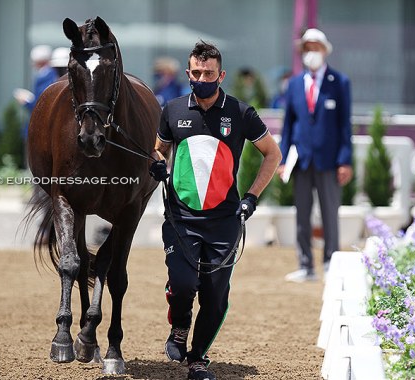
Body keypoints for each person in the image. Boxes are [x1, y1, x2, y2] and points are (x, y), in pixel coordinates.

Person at [149, 40, 281, 380]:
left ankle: (197, 358)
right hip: (181, 218)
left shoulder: (241, 113)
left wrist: (252, 196)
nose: (201, 78)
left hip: (225, 220)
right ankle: (179, 325)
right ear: (188, 73)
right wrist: (158, 163)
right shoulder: (173, 110)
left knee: (215, 296)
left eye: (208, 73)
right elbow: (158, 149)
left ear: (220, 75)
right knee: (181, 282)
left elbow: (273, 154)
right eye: (195, 72)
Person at [277, 28, 353, 282]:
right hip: (301, 159)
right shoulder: (295, 84)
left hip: (330, 160)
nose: (311, 53)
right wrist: (283, 159)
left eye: (315, 48)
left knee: (330, 212)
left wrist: (345, 159)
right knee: (302, 213)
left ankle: (331, 261)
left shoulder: (339, 82)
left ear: (324, 50)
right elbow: (288, 124)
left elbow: (345, 125)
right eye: (307, 49)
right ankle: (306, 264)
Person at [13, 44, 59, 139]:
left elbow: (42, 103)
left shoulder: (45, 75)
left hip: (41, 127)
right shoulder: (49, 74)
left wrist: (25, 102)